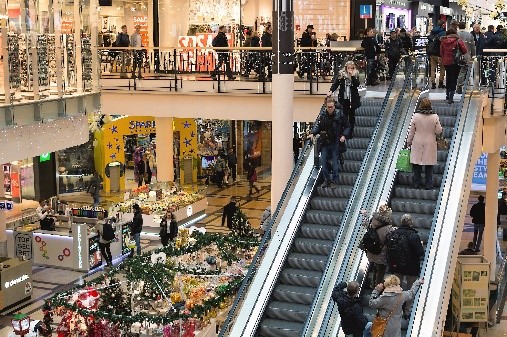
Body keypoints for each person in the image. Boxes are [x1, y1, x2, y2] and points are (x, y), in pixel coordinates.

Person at [388, 214, 424, 317]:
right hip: (411, 266)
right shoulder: (413, 235)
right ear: (411, 223)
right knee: (410, 288)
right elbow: (420, 252)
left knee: (396, 286)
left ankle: (395, 307)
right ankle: (407, 310)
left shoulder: (394, 233)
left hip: (396, 265)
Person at [311, 97, 351, 188]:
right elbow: (318, 126)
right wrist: (313, 133)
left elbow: (348, 126)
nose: (330, 109)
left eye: (331, 107)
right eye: (328, 107)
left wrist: (344, 136)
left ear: (334, 106)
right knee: (323, 162)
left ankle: (334, 180)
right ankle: (326, 180)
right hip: (325, 142)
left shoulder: (339, 114)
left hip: (336, 142)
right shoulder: (323, 115)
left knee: (335, 162)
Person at [406, 98, 443, 189]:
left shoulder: (416, 116)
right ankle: (428, 184)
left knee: (417, 165)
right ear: (430, 105)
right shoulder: (435, 116)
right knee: (429, 165)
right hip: (430, 142)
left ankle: (416, 183)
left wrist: (409, 142)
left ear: (421, 105)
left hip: (417, 141)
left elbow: (411, 131)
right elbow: (439, 130)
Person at [328, 61, 361, 138]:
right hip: (344, 98)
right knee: (344, 115)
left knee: (352, 116)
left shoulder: (356, 74)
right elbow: (336, 83)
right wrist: (331, 91)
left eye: (351, 68)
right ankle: (344, 132)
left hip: (352, 99)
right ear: (346, 68)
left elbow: (357, 84)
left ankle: (350, 132)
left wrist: (352, 76)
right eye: (348, 68)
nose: (350, 70)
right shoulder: (341, 74)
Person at [363, 204, 393, 287]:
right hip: (381, 253)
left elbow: (365, 225)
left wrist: (365, 215)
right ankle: (377, 287)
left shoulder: (372, 220)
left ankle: (373, 283)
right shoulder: (389, 228)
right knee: (381, 270)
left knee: (375, 267)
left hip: (371, 250)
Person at [440, 28, 468, 104]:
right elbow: (464, 50)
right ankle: (451, 97)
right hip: (455, 61)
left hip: (446, 62)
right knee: (454, 78)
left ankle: (447, 95)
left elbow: (441, 52)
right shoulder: (458, 40)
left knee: (448, 77)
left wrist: (444, 58)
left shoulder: (443, 41)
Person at [456, 22, 476, 94]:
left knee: (455, 72)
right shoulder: (469, 35)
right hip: (466, 56)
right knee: (463, 71)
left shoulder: (455, 34)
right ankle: (459, 86)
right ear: (465, 26)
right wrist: (473, 55)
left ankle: (454, 86)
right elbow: (472, 46)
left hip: (455, 56)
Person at [427, 20, 446, 89]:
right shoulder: (443, 33)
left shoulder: (432, 32)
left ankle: (433, 83)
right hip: (439, 53)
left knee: (433, 69)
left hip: (432, 53)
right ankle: (440, 83)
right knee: (442, 68)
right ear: (443, 25)